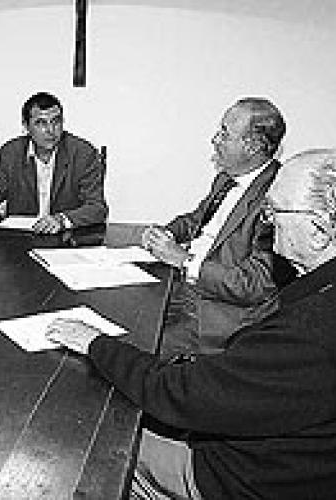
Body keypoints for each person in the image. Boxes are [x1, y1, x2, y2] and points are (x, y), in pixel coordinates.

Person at [47, 149, 336, 499]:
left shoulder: (310, 330)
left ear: (318, 231)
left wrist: (95, 344)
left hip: (234, 476)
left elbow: (182, 394)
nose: (267, 223)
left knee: (81, 438)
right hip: (271, 447)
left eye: (274, 212)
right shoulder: (315, 301)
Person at [142, 97, 295, 354]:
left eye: (224, 134)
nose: (214, 140)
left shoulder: (278, 197)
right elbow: (196, 220)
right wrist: (165, 233)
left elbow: (255, 284)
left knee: (139, 348)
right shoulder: (226, 178)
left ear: (252, 146)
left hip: (219, 314)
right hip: (183, 286)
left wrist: (184, 261)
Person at [0, 91, 108, 233]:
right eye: (41, 123)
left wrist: (62, 220)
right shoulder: (12, 152)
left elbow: (97, 208)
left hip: (66, 239)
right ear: (26, 126)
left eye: (56, 122)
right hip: (22, 238)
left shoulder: (82, 153)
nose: (50, 130)